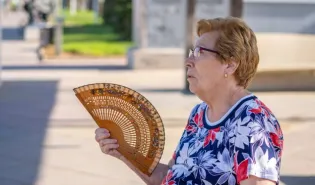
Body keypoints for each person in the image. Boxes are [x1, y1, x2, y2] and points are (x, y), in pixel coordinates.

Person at [94, 17, 284, 185]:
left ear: (230, 64)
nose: (188, 60)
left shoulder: (253, 122)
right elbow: (171, 177)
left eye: (200, 52)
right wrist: (124, 151)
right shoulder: (199, 114)